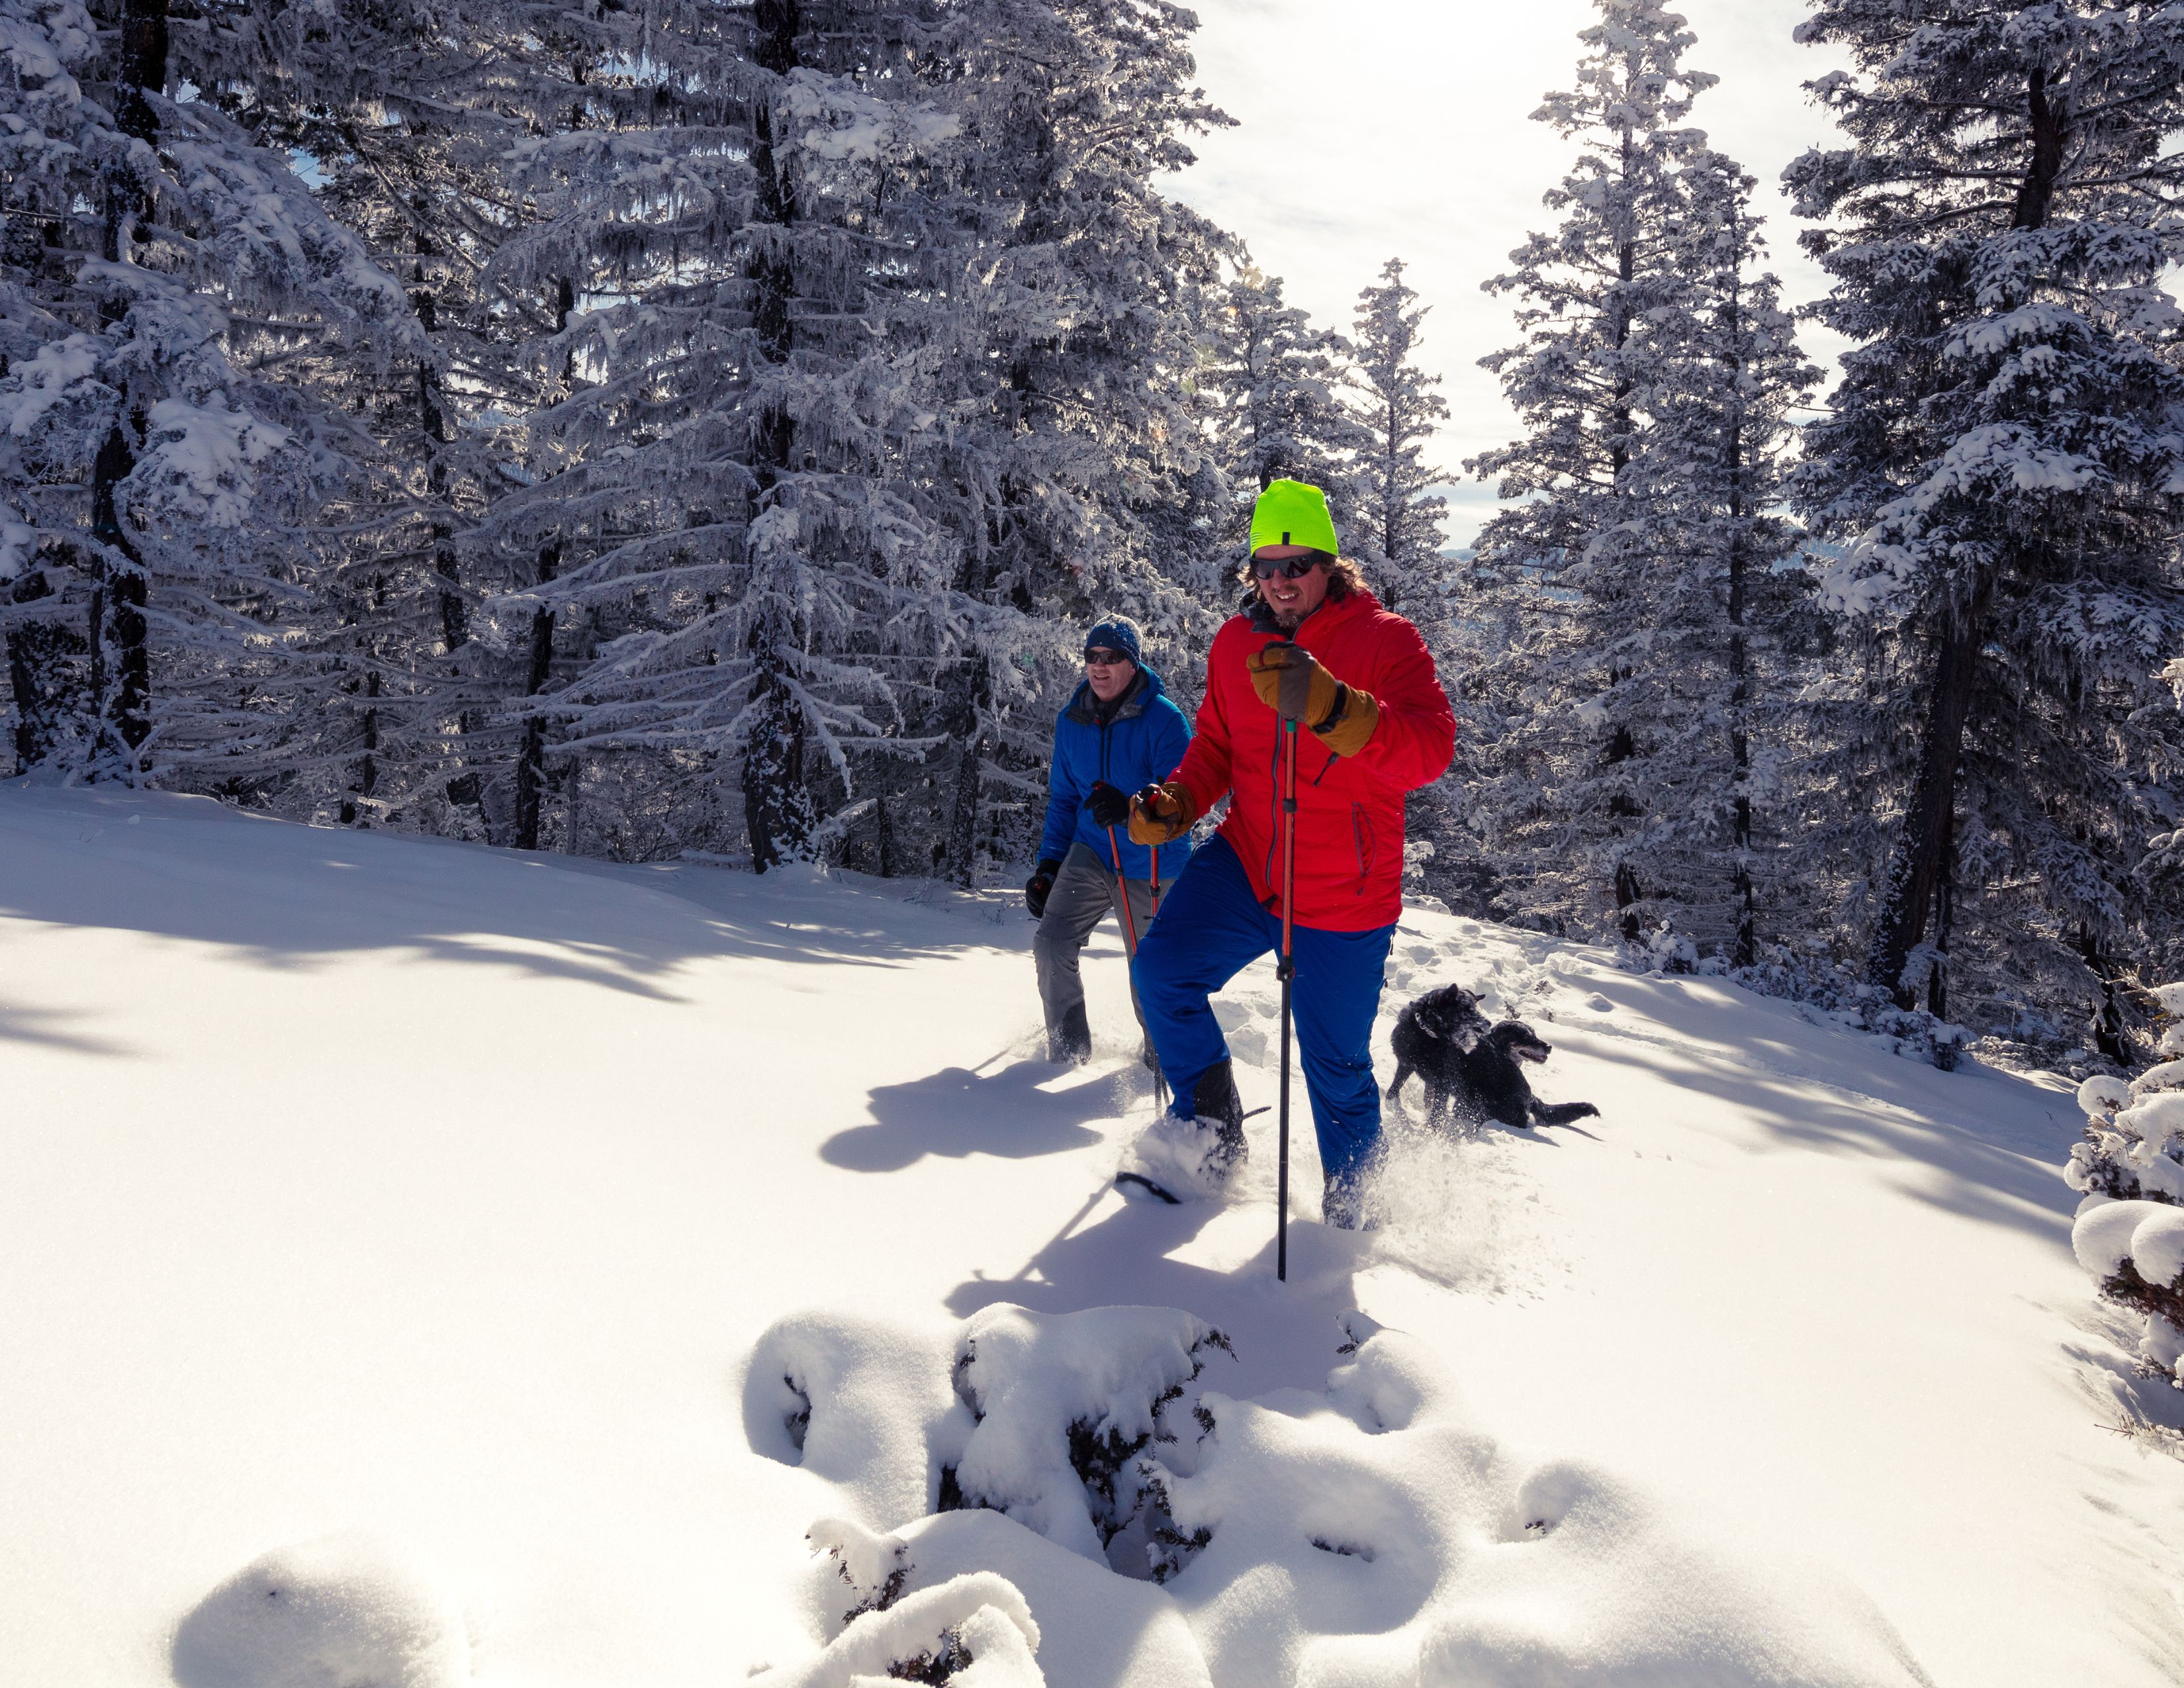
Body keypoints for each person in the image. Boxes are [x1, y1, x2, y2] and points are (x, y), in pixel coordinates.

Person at [1122, 479, 1455, 1227]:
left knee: (1334, 1067)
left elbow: (1430, 750)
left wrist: (1336, 706)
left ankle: (1354, 1214)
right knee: (1161, 972)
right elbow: (1214, 745)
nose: (1279, 580)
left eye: (1295, 562)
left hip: (1344, 892)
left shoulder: (1386, 640)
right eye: (1265, 566)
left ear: (1329, 564)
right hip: (1249, 863)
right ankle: (1211, 1132)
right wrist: (1176, 803)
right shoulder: (1236, 642)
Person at [1027, 617, 1193, 1066]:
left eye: (1111, 657)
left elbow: (1185, 797)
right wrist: (1049, 865)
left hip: (1151, 861)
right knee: (1052, 943)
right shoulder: (1072, 719)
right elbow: (1064, 800)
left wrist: (1133, 809)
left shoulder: (1164, 720)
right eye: (1092, 657)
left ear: (1132, 663)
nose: (1099, 667)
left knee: (1149, 969)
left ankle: (1162, 1061)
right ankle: (1068, 1053)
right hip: (1093, 850)